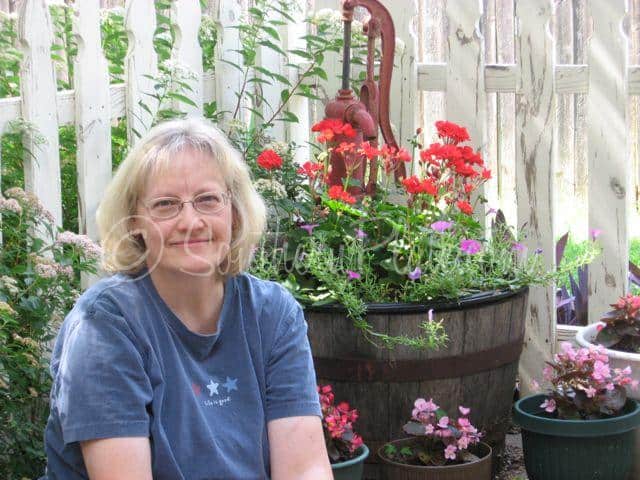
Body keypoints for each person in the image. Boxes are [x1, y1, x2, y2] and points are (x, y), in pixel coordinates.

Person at [41, 117, 332, 479]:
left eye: (208, 200)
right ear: (134, 220)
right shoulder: (104, 326)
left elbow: (305, 469)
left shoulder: (272, 313)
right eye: (165, 204)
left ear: (235, 211)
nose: (191, 221)